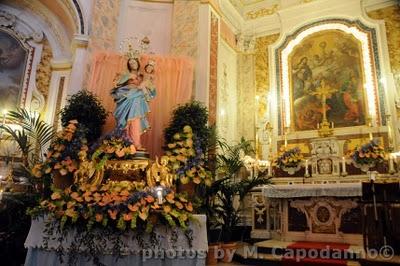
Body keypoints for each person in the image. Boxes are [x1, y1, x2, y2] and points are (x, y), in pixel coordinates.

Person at [111, 57, 155, 149]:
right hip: (127, 98)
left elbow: (150, 89)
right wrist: (128, 77)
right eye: (130, 63)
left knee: (136, 121)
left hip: (137, 100)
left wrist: (146, 85)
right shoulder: (125, 74)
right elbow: (116, 84)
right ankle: (125, 143)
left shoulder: (142, 75)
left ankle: (135, 144)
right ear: (128, 65)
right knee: (125, 120)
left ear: (138, 63)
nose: (132, 64)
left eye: (134, 62)